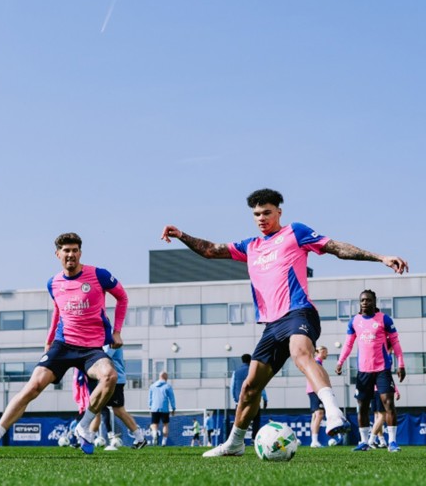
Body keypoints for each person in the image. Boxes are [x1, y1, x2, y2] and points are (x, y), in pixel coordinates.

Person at [161, 188, 408, 458]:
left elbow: (337, 248)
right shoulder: (250, 247)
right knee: (249, 387)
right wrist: (182, 235)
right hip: (272, 324)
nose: (261, 218)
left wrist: (380, 257)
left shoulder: (295, 232)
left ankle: (333, 412)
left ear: (279, 211)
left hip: (299, 312)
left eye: (267, 212)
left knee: (300, 353)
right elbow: (211, 250)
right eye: (256, 214)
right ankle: (234, 443)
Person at [0, 233, 127, 456]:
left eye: (75, 250)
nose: (71, 254)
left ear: (80, 253)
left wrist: (117, 331)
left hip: (92, 348)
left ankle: (84, 426)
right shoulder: (53, 283)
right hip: (63, 345)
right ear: (58, 254)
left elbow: (122, 298)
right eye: (66, 250)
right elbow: (58, 310)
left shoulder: (99, 275)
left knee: (110, 376)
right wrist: (48, 341)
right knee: (32, 387)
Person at [335, 289, 405, 452]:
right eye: (362, 300)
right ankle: (364, 442)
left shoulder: (384, 319)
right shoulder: (354, 322)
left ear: (374, 302)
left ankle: (392, 442)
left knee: (389, 404)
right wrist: (340, 361)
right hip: (363, 371)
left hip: (382, 369)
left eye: (368, 300)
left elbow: (395, 343)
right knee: (363, 406)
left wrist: (401, 364)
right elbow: (348, 344)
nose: (365, 303)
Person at [87, 345, 147, 450]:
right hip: (106, 380)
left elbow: (105, 357)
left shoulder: (112, 340)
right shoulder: (105, 339)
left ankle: (140, 439)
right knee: (96, 408)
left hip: (115, 380)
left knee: (119, 411)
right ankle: (88, 440)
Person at [230, 354, 269, 443]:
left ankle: (239, 440)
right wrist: (265, 399)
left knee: (239, 421)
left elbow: (232, 387)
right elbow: (260, 386)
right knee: (256, 420)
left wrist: (235, 399)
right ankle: (254, 438)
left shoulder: (236, 372)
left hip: (240, 401)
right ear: (250, 360)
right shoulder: (254, 371)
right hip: (254, 400)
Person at [307, 346, 329, 447]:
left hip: (312, 389)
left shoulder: (316, 362)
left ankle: (314, 441)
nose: (326, 354)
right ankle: (314, 441)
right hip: (315, 389)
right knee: (319, 414)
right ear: (320, 352)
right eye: (325, 351)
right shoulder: (317, 362)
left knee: (315, 415)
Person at [148, 371, 176, 446]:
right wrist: (173, 408)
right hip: (164, 408)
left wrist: (150, 406)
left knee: (154, 424)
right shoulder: (168, 386)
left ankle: (154, 434)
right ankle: (164, 442)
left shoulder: (152, 386)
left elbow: (150, 398)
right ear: (166, 377)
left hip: (154, 408)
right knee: (165, 425)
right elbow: (171, 398)